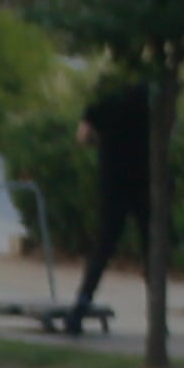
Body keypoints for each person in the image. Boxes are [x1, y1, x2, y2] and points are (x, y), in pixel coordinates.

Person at [67, 81, 149, 328]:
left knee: (103, 247)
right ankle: (157, 315)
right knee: (152, 246)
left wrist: (102, 141)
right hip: (146, 178)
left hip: (113, 180)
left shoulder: (104, 96)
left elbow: (83, 136)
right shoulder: (148, 92)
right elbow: (169, 128)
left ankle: (81, 305)